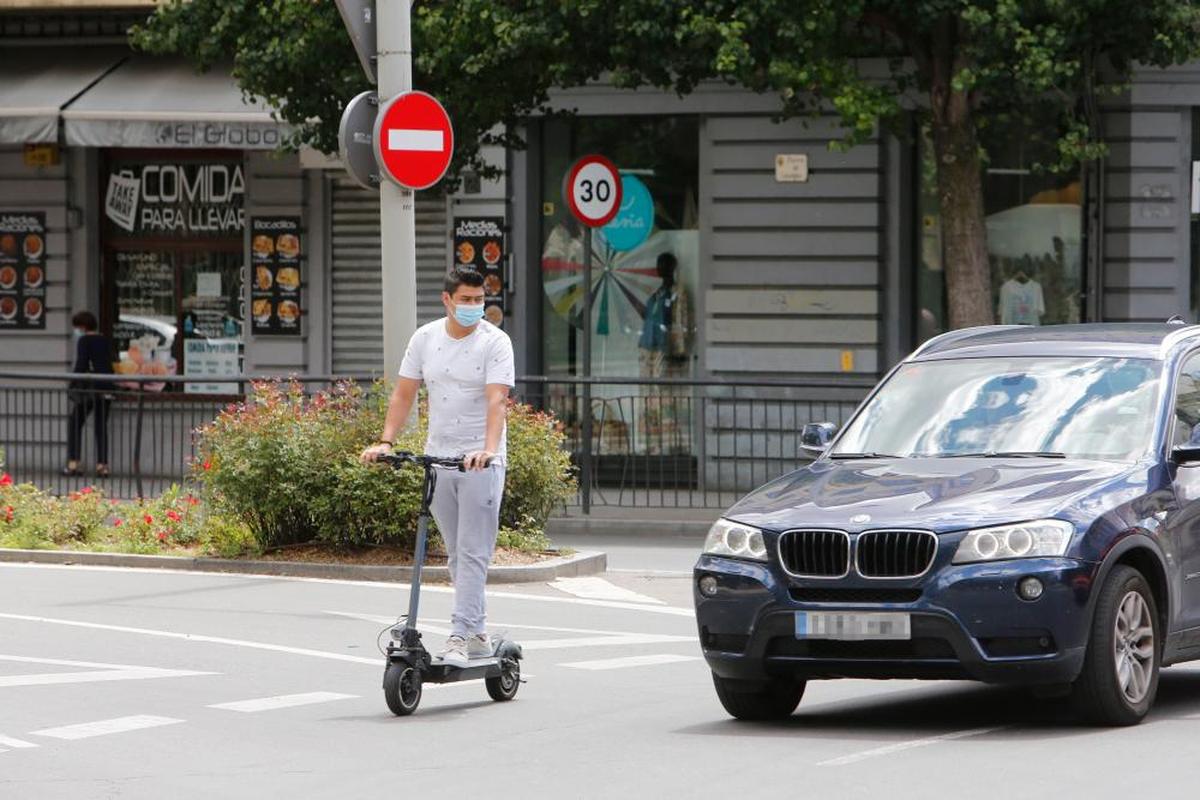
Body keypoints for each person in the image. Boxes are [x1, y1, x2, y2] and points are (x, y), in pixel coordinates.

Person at [360, 267, 515, 668]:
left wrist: (487, 449)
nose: (474, 307)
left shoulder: (495, 342)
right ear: (446, 300)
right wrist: (386, 441)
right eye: (465, 299)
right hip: (440, 457)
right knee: (455, 555)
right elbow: (404, 393)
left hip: (481, 461)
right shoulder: (425, 338)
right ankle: (479, 631)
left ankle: (460, 635)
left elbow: (497, 400)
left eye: (479, 299)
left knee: (473, 550)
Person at [637, 251, 692, 453]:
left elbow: (682, 321)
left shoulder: (678, 292)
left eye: (664, 265)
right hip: (648, 348)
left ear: (672, 267)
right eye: (659, 265)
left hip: (665, 349)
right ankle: (650, 443)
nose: (660, 269)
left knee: (665, 396)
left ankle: (671, 444)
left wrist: (680, 348)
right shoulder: (657, 294)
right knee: (648, 396)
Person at [64, 311, 114, 478]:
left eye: (77, 327)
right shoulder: (104, 340)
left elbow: (81, 363)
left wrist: (72, 383)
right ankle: (102, 465)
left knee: (75, 422)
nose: (76, 330)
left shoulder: (84, 340)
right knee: (101, 427)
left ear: (83, 327)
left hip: (90, 390)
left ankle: (74, 463)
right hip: (106, 388)